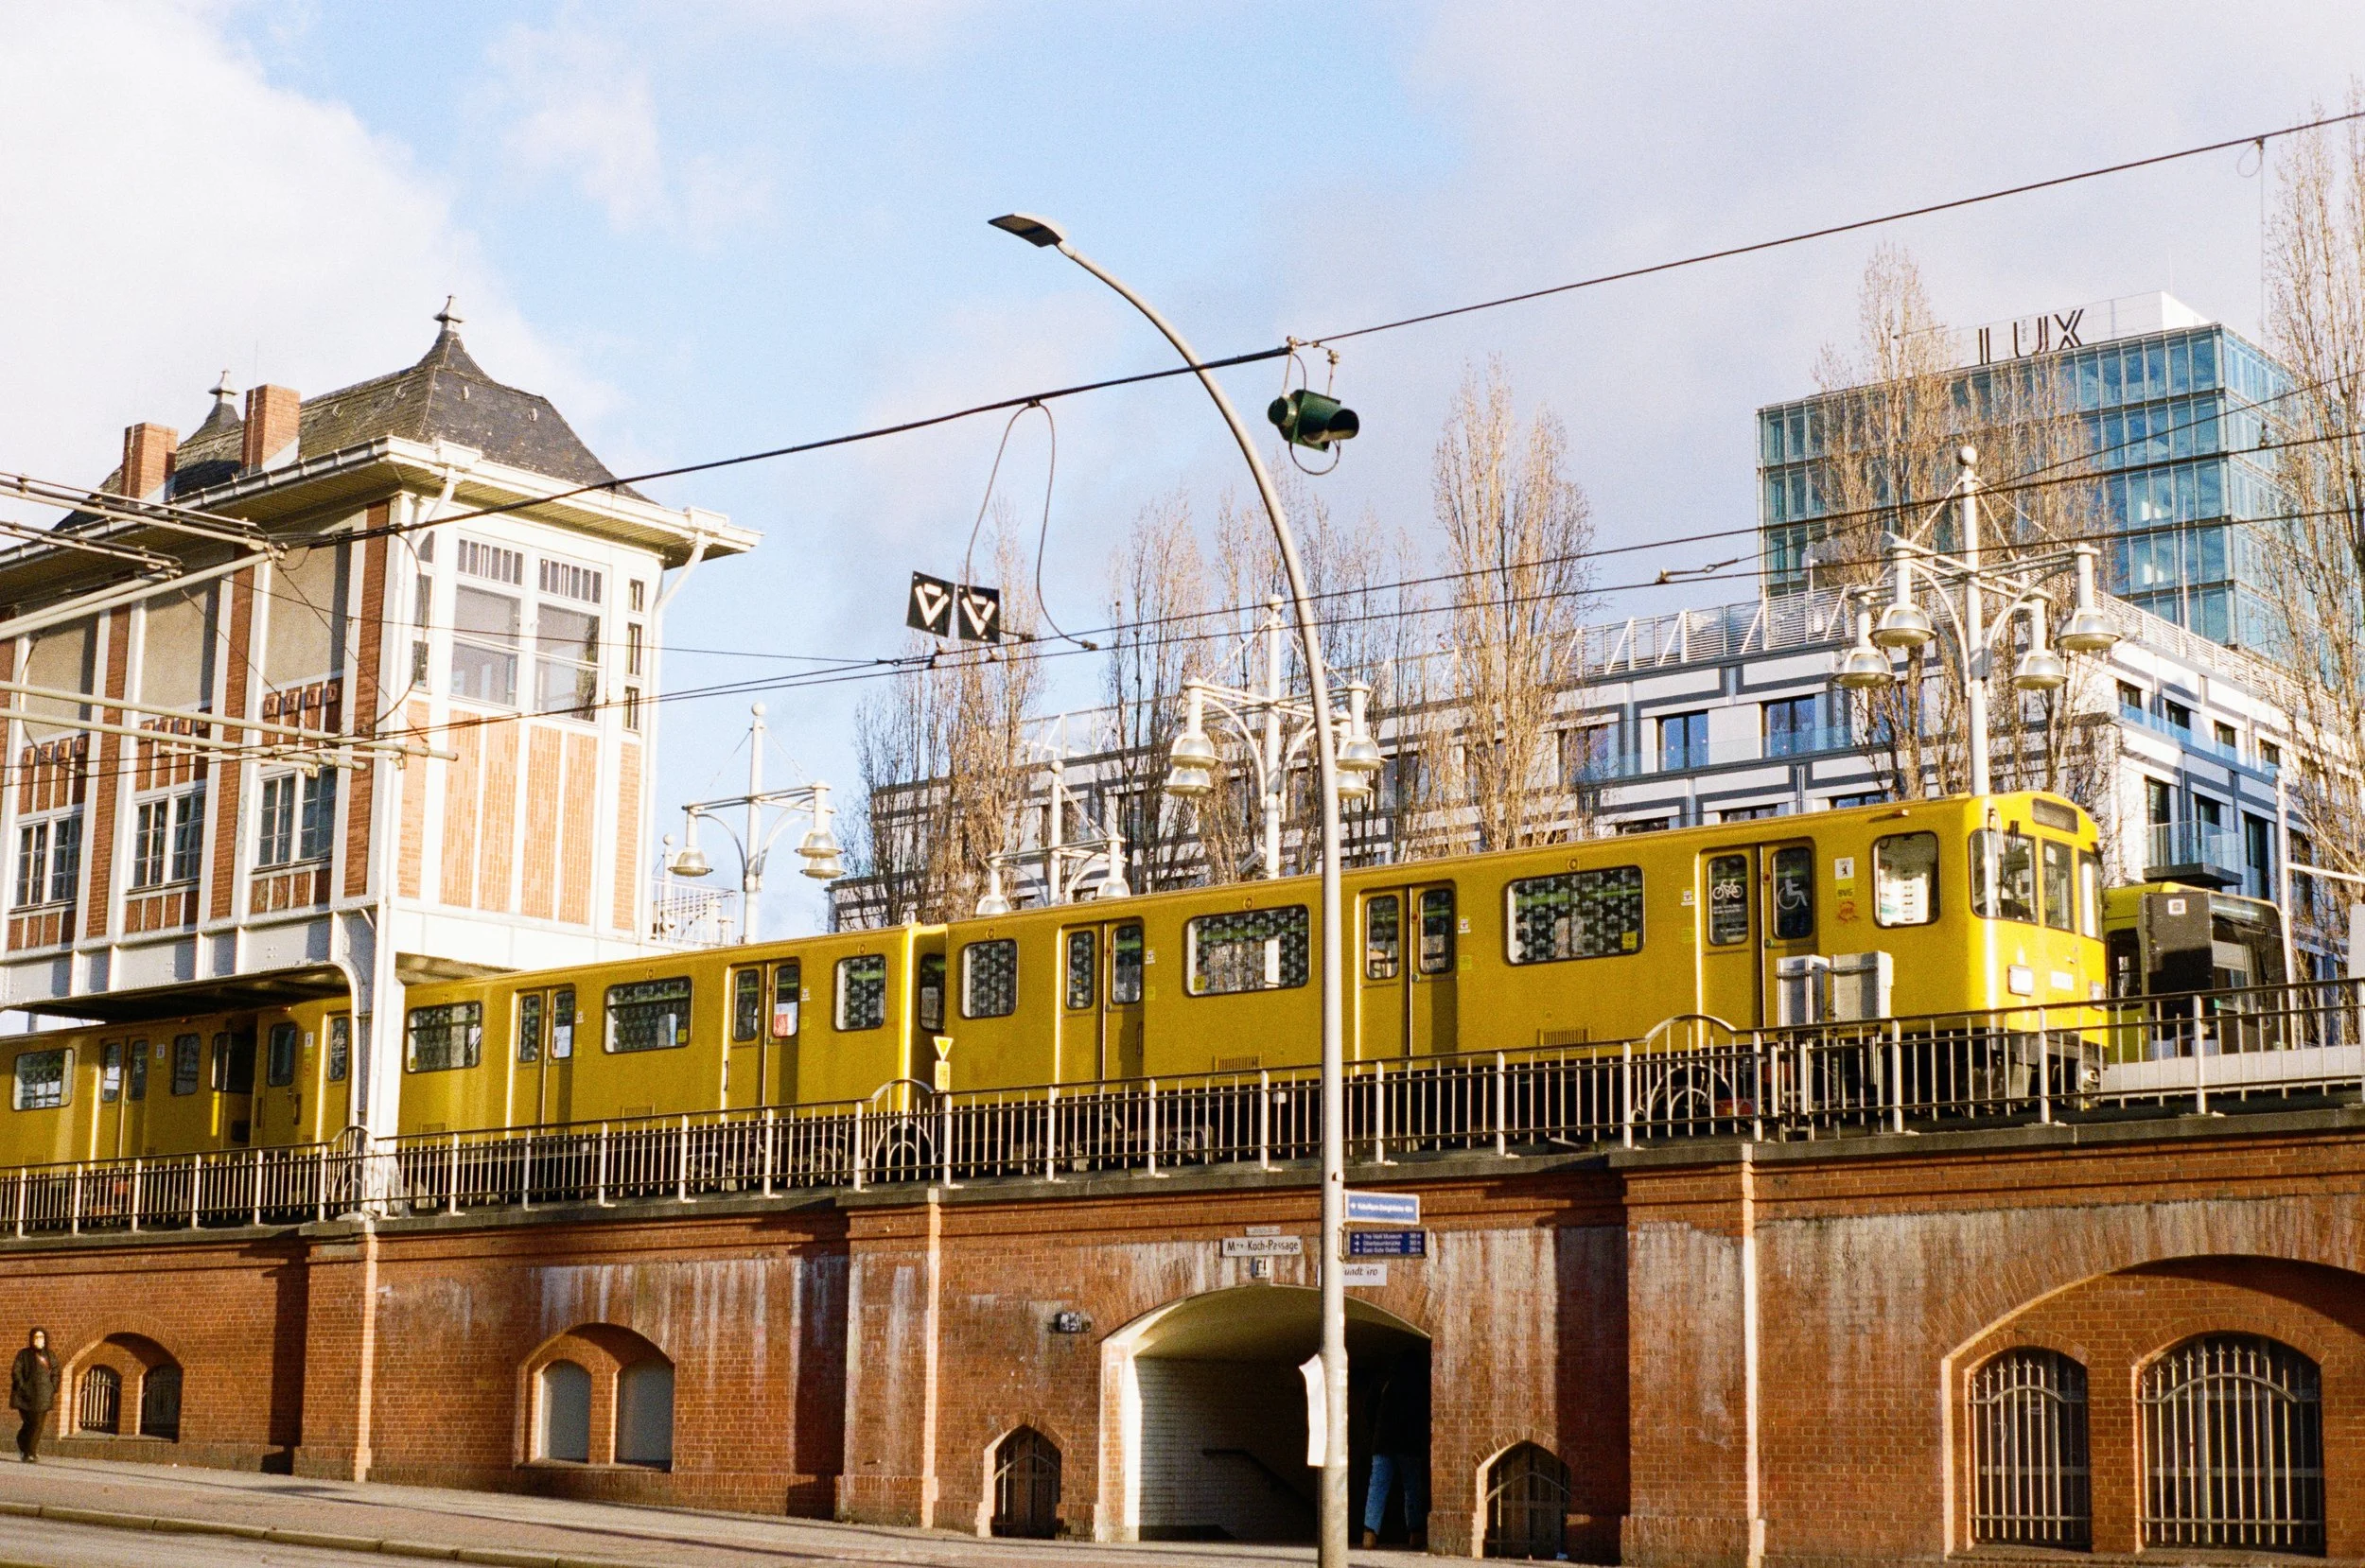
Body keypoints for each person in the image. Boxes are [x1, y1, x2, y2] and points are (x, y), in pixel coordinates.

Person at [1361, 1344, 1430, 1550]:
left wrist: (1375, 1431)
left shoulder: (1382, 1380)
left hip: (1382, 1442)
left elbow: (1368, 1410)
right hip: (1409, 1443)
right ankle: (1415, 1533)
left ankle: (1369, 1533)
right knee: (1412, 1488)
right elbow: (1425, 1414)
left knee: (1378, 1487)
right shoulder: (1419, 1383)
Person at [9, 1330, 55, 1463]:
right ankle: (25, 1446)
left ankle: (30, 1452)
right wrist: (23, 1387)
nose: (39, 1340)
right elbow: (16, 1371)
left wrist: (53, 1387)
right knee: (31, 1423)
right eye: (36, 1337)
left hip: (44, 1395)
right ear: (31, 1339)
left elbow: (56, 1371)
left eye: (41, 1337)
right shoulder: (23, 1355)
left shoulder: (49, 1355)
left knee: (38, 1425)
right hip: (26, 1396)